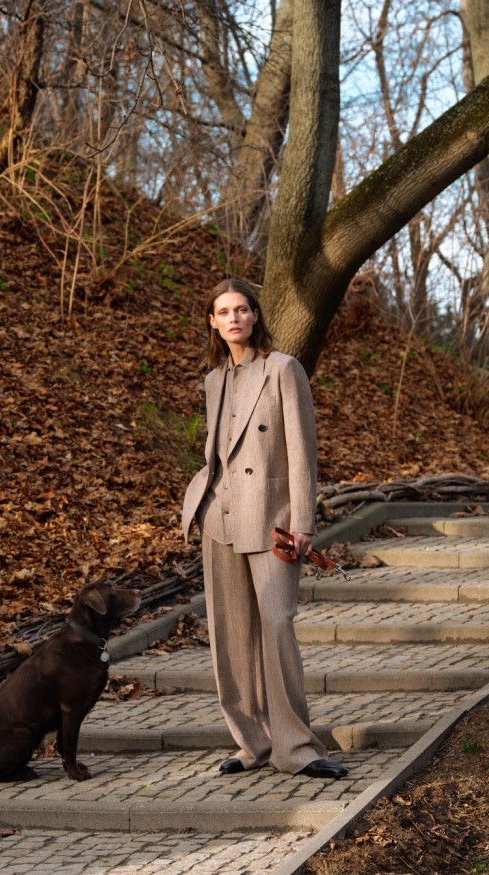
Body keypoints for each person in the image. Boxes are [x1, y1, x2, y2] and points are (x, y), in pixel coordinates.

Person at [182, 278, 348, 780]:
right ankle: (251, 743)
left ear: (255, 315)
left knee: (277, 625)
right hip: (221, 518)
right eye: (222, 312)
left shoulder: (283, 370)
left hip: (272, 518)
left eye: (241, 309)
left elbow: (302, 450)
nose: (233, 318)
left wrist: (303, 522)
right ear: (212, 322)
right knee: (231, 636)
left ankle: (296, 747)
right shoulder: (213, 379)